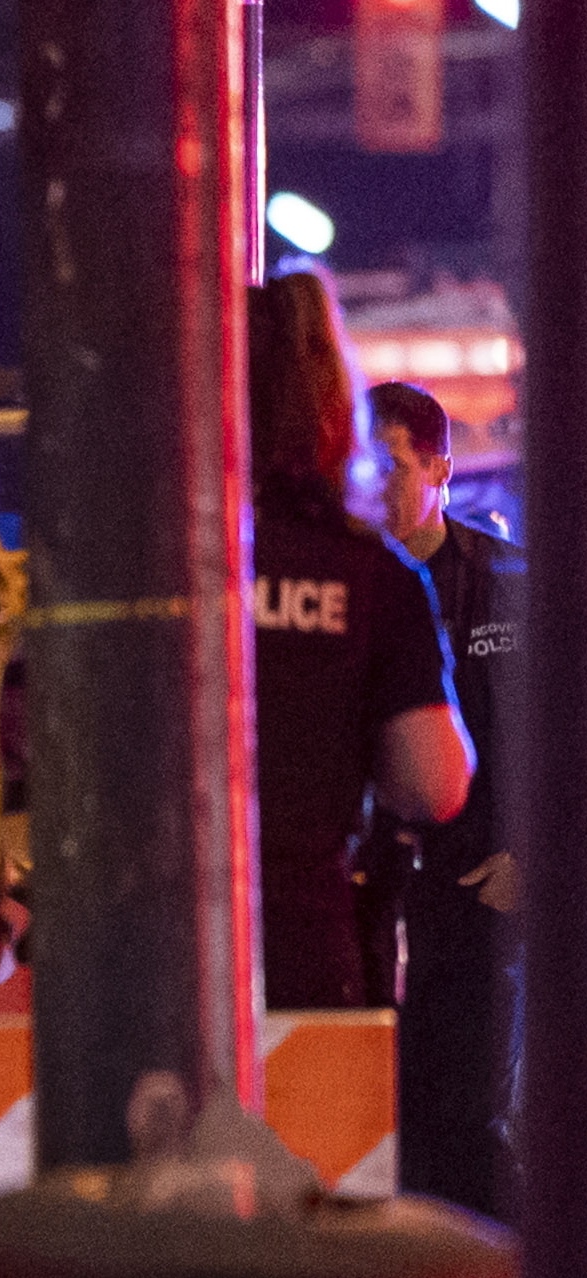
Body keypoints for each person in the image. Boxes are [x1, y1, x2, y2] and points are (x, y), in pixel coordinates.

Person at [244, 278, 471, 1014]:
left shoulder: (136, 557)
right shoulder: (370, 572)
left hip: (137, 946)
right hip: (299, 941)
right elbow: (433, 783)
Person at [360, 376, 519, 1213]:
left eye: (387, 464)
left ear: (439, 468)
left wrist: (526, 862)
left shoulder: (505, 583)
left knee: (462, 1121)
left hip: (476, 894)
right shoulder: (354, 586)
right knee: (375, 1122)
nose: (369, 483)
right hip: (376, 900)